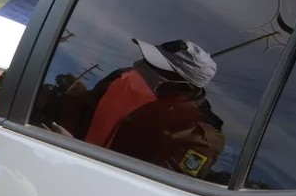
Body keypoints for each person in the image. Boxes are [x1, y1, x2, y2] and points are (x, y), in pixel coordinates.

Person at [72, 39, 225, 179]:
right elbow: (77, 109)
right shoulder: (120, 80)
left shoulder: (199, 138)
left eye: (151, 65)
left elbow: (158, 190)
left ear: (177, 87)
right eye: (144, 59)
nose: (138, 64)